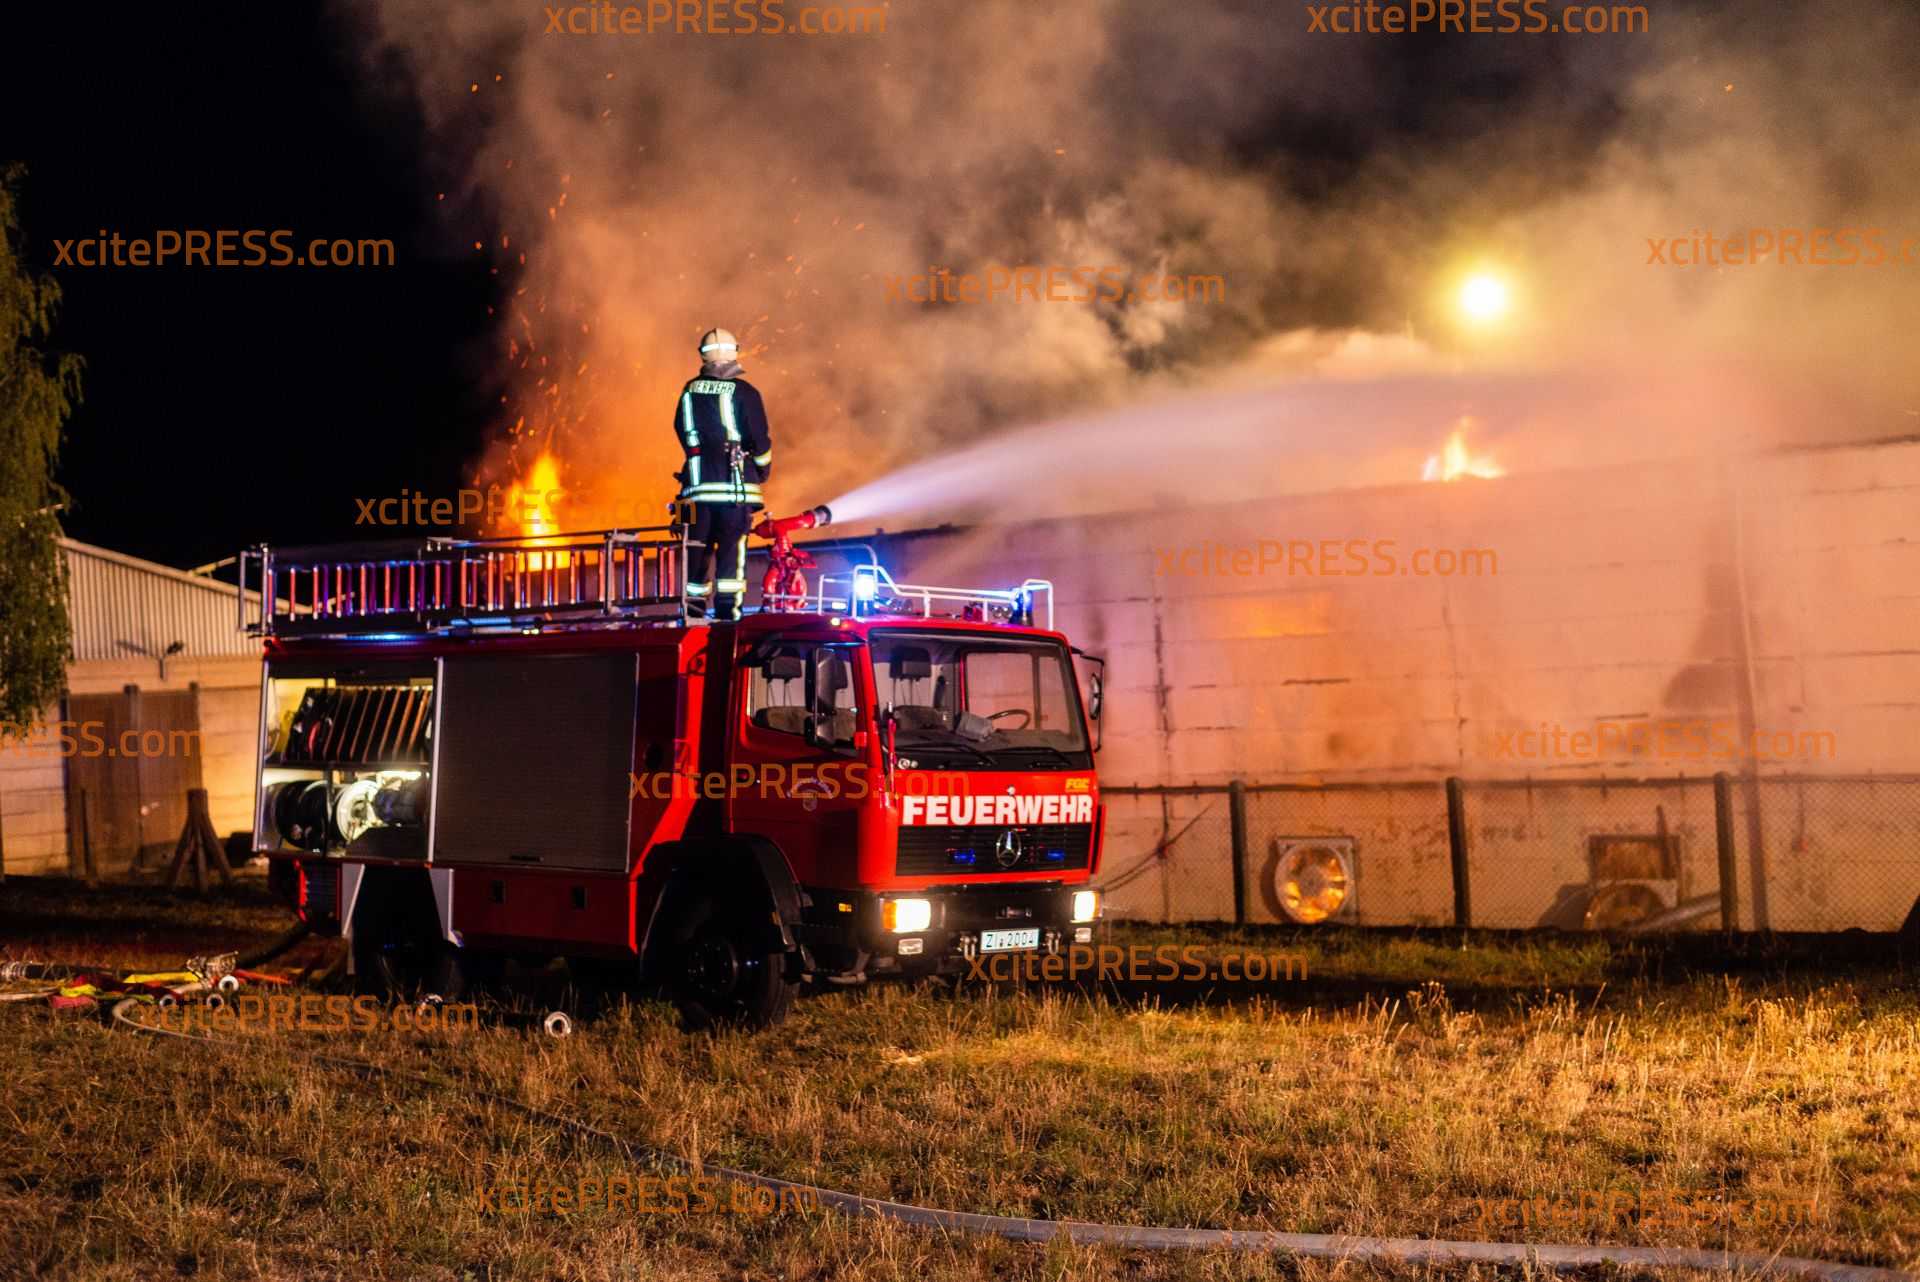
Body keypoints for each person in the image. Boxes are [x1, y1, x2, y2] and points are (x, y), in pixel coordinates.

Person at [673, 327, 773, 621]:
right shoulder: (745, 392)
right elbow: (760, 440)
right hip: (734, 493)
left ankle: (692, 613)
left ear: (702, 355)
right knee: (730, 554)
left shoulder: (689, 390)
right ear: (735, 352)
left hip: (693, 493)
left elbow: (681, 430)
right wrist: (762, 469)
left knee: (694, 551)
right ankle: (728, 615)